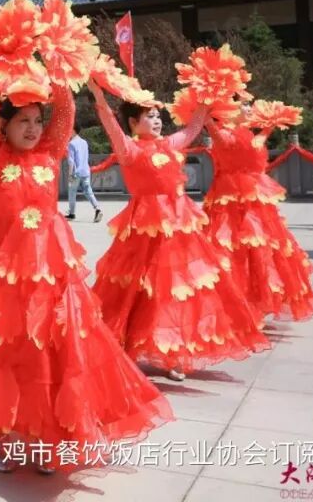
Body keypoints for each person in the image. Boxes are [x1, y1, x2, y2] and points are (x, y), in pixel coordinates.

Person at [0, 83, 173, 475]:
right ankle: (5, 437)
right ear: (3, 125)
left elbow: (66, 111)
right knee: (7, 354)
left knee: (52, 353)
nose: (33, 129)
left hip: (51, 271)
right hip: (2, 277)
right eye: (23, 121)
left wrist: (57, 71)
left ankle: (48, 438)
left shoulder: (51, 153)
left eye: (38, 121)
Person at [87, 82, 271, 381]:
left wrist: (205, 101)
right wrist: (99, 97)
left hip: (179, 228)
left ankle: (172, 352)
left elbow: (192, 128)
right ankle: (127, 344)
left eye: (158, 116)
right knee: (138, 290)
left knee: (176, 289)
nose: (157, 120)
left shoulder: (170, 145)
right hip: (145, 230)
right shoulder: (129, 149)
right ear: (133, 123)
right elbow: (111, 126)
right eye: (149, 116)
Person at [204, 106, 313, 321]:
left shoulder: (250, 134)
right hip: (230, 200)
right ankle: (236, 304)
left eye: (249, 105)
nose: (249, 108)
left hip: (257, 200)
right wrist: (207, 117)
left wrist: (272, 123)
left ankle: (257, 302)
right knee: (233, 249)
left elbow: (259, 141)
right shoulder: (223, 134)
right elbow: (216, 134)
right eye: (242, 105)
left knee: (263, 250)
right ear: (229, 110)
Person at [65, 123, 102, 222]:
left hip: (75, 173)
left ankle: (72, 214)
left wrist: (70, 175)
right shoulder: (84, 142)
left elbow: (71, 161)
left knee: (72, 192)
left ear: (73, 130)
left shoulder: (71, 144)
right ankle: (97, 209)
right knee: (88, 192)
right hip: (85, 171)